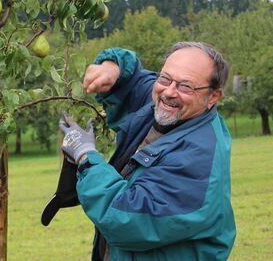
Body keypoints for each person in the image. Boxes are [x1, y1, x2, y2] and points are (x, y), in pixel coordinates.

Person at [58, 42, 236, 260]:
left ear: (213, 97)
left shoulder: (199, 155)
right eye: (165, 78)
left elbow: (125, 219)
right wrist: (113, 66)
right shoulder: (165, 105)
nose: (169, 92)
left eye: (185, 86)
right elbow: (134, 79)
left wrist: (86, 156)